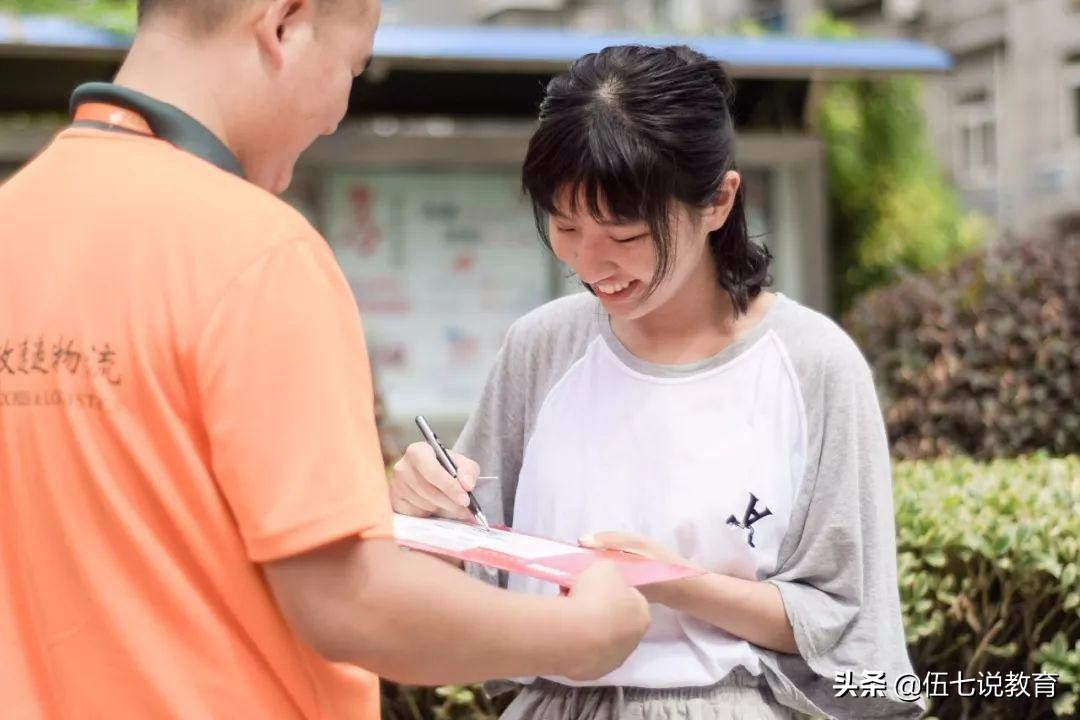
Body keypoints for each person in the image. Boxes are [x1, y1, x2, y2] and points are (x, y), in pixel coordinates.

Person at [0, 2, 651, 718]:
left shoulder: (16, 219)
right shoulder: (256, 252)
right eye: (352, 65)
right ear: (284, 23)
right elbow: (350, 602)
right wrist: (578, 632)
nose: (338, 111)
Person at [392, 45, 922, 720]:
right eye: (565, 225)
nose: (591, 262)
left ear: (719, 201)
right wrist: (424, 511)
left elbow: (844, 622)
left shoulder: (814, 364)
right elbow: (466, 577)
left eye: (626, 232)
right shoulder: (541, 347)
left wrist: (673, 583)